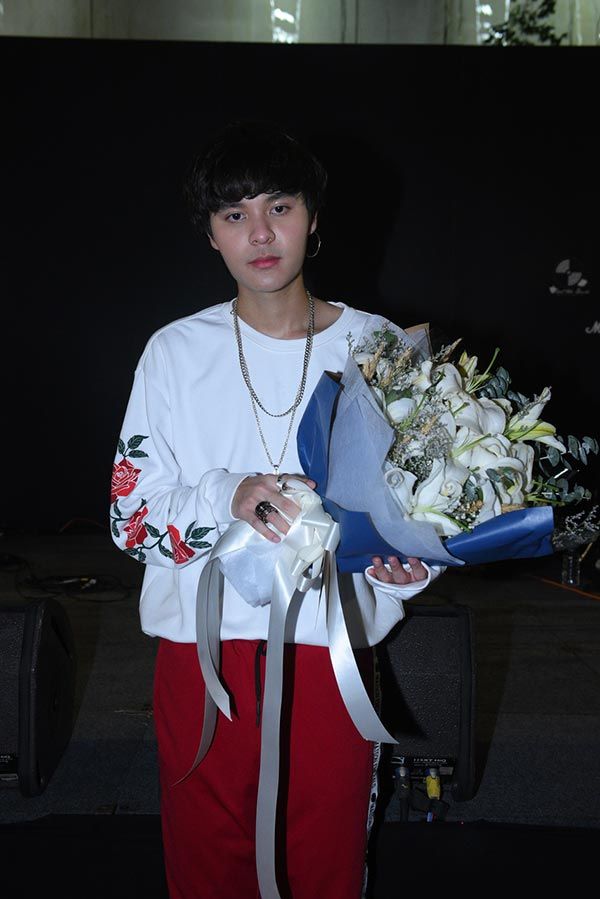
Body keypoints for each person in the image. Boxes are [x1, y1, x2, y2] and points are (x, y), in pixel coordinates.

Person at [110, 120, 443, 899]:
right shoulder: (173, 352)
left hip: (331, 657)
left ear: (313, 218)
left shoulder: (378, 346)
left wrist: (405, 569)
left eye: (280, 208)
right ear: (211, 234)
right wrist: (224, 494)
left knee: (325, 864)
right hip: (204, 660)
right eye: (235, 215)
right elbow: (131, 520)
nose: (260, 234)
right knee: (206, 866)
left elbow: (421, 507)